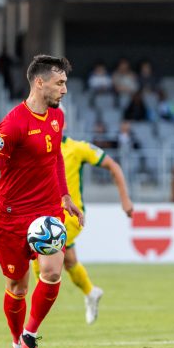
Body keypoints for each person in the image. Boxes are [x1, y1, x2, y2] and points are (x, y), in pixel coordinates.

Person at [0, 55, 83, 348]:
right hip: (11, 216)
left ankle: (29, 336)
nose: (65, 90)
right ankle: (15, 341)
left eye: (65, 83)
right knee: (18, 287)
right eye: (60, 83)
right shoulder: (13, 124)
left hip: (47, 211)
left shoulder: (57, 117)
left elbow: (55, 155)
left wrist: (65, 194)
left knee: (54, 272)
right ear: (39, 83)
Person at [32, 134, 134, 325]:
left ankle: (38, 308)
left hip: (69, 216)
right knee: (69, 261)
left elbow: (113, 165)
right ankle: (91, 292)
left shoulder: (77, 148)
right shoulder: (36, 146)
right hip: (43, 212)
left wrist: (125, 199)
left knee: (40, 248)